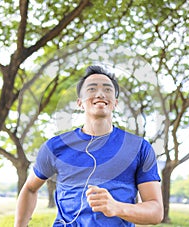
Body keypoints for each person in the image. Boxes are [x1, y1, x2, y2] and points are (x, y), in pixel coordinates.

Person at [14, 65, 164, 227]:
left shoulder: (139, 148)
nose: (100, 94)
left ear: (115, 103)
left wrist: (117, 208)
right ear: (80, 103)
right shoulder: (55, 147)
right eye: (91, 89)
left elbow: (155, 212)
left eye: (107, 90)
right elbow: (30, 189)